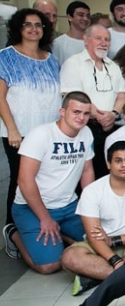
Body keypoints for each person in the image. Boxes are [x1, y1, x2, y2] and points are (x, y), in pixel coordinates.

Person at [5, 92, 95, 275]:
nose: (81, 118)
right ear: (62, 111)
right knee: (49, 265)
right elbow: (24, 180)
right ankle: (13, 233)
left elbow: (87, 171)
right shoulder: (40, 135)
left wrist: (91, 207)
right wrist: (45, 218)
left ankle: (61, 232)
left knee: (99, 242)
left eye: (86, 113)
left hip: (69, 206)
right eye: (76, 112)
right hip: (32, 208)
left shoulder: (86, 133)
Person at [62, 141, 125, 295]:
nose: (124, 165)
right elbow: (93, 234)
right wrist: (115, 260)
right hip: (101, 244)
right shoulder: (93, 191)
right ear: (108, 164)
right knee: (70, 257)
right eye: (118, 161)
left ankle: (96, 277)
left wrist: (115, 240)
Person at [0, 9, 60, 233]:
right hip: (20, 133)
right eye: (28, 25)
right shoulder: (5, 57)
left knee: (43, 181)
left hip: (48, 132)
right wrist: (12, 129)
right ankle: (12, 229)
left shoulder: (51, 60)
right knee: (20, 181)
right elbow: (0, 98)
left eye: (38, 25)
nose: (34, 29)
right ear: (18, 28)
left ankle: (40, 224)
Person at [60, 24, 125, 179]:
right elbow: (74, 97)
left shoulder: (114, 66)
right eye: (98, 38)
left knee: (109, 174)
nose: (104, 43)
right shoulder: (74, 63)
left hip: (111, 127)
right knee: (84, 174)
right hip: (84, 127)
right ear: (86, 39)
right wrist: (100, 116)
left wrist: (113, 114)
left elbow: (122, 96)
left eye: (107, 39)